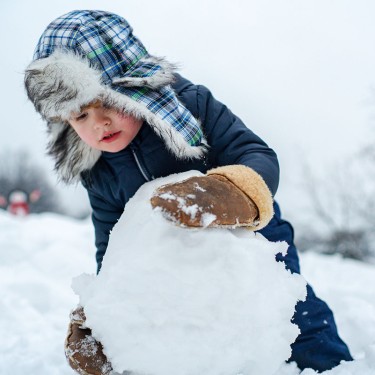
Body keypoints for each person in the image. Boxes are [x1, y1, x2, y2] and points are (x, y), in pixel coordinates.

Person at [24, 10, 352, 374]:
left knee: (292, 315)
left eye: (107, 101)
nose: (98, 123)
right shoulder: (97, 170)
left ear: (134, 85)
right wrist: (106, 310)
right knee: (182, 338)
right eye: (80, 116)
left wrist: (232, 190)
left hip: (249, 244)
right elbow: (112, 244)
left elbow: (256, 153)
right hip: (171, 266)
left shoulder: (191, 106)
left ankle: (330, 367)